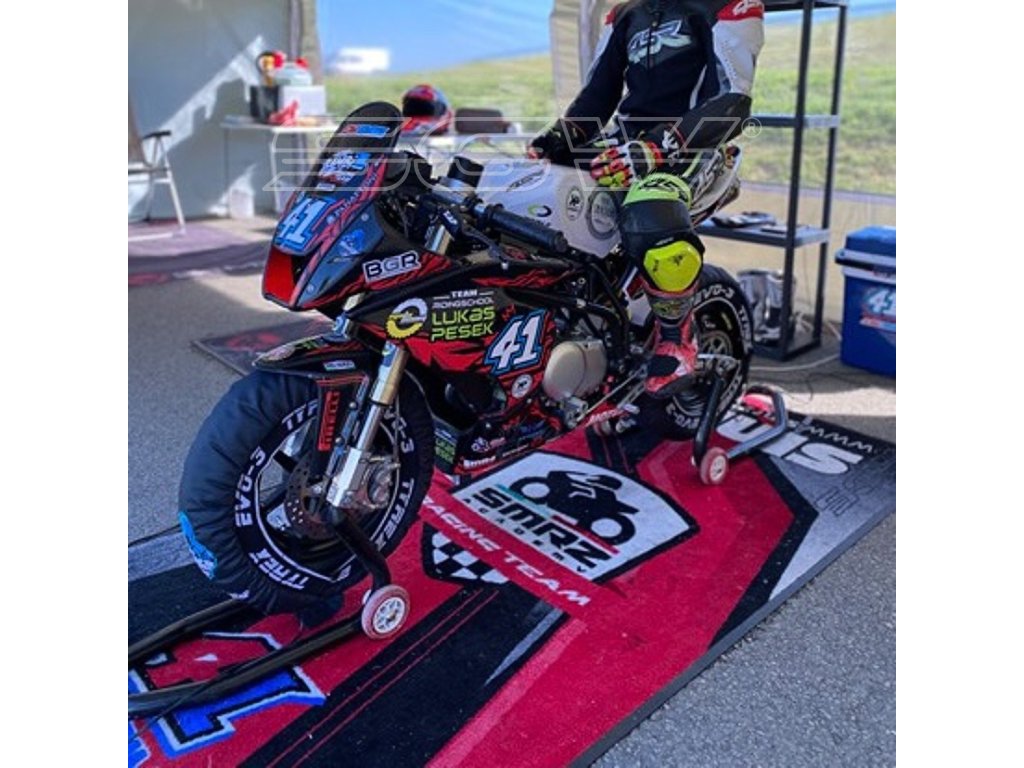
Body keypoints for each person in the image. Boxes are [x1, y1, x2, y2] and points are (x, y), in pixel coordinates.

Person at [528, 0, 764, 398]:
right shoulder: (624, 14)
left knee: (648, 206)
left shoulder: (730, 5)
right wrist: (555, 140)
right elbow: (597, 96)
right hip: (626, 143)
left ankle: (677, 338)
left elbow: (733, 104)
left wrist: (657, 147)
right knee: (533, 188)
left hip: (697, 146)